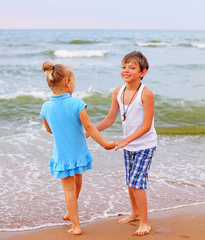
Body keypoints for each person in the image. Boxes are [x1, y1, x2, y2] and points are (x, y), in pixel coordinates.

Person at [40, 60, 115, 235]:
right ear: (67, 81)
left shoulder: (46, 107)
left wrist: (61, 131)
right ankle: (75, 225)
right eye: (73, 80)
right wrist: (105, 144)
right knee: (77, 184)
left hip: (62, 154)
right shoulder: (77, 103)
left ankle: (74, 222)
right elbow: (89, 127)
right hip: (78, 152)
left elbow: (49, 129)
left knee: (69, 189)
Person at [93, 51, 157, 236]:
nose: (126, 70)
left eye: (132, 67)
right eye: (123, 66)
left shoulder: (147, 94)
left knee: (137, 183)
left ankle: (145, 223)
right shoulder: (117, 92)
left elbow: (146, 126)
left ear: (142, 72)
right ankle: (135, 213)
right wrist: (91, 131)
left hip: (145, 145)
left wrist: (125, 140)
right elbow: (110, 119)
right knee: (130, 182)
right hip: (128, 146)